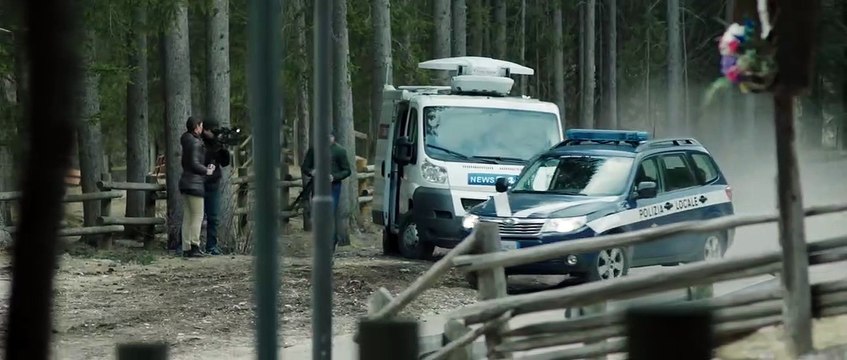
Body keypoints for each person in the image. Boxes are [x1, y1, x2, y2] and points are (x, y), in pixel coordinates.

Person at [301, 131, 352, 253]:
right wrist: (312, 172)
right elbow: (305, 167)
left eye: (329, 137)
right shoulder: (314, 149)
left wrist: (334, 177)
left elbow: (347, 170)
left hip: (333, 187)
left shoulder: (340, 151)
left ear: (333, 137)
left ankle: (330, 244)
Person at [179, 116, 213, 258]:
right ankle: (194, 245)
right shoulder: (196, 143)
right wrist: (207, 170)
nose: (202, 128)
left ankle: (186, 247)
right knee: (197, 215)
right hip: (194, 184)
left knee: (187, 216)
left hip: (185, 182)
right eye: (201, 126)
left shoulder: (186, 141)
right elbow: (194, 163)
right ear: (196, 127)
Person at [201, 119, 232, 255]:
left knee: (213, 217)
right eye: (211, 131)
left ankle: (211, 246)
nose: (213, 134)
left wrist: (223, 149)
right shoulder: (198, 142)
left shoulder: (216, 144)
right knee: (195, 216)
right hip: (199, 183)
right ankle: (188, 245)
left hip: (213, 183)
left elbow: (224, 162)